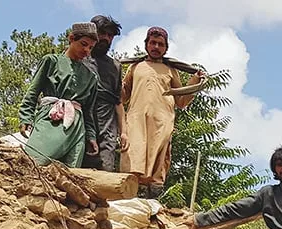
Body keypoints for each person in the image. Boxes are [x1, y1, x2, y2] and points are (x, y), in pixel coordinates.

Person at [121, 26, 203, 196]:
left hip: (162, 123)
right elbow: (122, 96)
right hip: (137, 121)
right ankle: (133, 193)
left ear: (166, 48)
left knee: (158, 160)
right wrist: (111, 77)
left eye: (160, 44)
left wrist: (195, 81)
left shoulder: (171, 70)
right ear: (146, 45)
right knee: (133, 156)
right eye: (153, 43)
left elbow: (181, 101)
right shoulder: (135, 67)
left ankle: (154, 195)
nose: (156, 47)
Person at [18, 23, 100, 167]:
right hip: (51, 118)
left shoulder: (91, 77)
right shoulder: (51, 61)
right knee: (33, 163)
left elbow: (88, 112)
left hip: (77, 128)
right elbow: (33, 91)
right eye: (83, 44)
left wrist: (91, 137)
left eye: (91, 47)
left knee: (68, 175)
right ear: (71, 38)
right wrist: (26, 117)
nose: (86, 50)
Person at [81, 15, 126, 172]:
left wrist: (124, 132)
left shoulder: (115, 67)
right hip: (80, 121)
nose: (106, 38)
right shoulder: (79, 57)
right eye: (103, 33)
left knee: (105, 168)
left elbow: (118, 101)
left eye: (110, 35)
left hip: (107, 125)